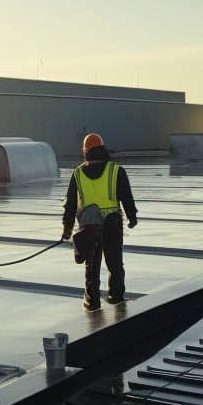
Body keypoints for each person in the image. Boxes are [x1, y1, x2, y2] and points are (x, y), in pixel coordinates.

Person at [61, 133, 138, 311]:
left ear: (85, 151)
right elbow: (126, 196)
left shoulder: (78, 173)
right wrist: (132, 217)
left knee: (92, 266)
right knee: (115, 264)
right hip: (112, 224)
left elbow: (70, 204)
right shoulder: (116, 170)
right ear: (102, 149)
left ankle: (92, 301)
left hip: (89, 226)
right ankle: (116, 297)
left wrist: (67, 228)